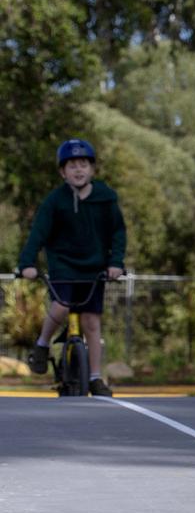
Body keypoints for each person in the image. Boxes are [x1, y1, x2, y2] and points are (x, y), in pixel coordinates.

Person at [19, 139, 127, 396]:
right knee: (61, 306)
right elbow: (38, 234)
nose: (78, 170)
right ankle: (42, 345)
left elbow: (118, 233)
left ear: (92, 169)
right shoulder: (55, 201)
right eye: (72, 166)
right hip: (63, 265)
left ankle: (95, 378)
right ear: (62, 172)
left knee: (91, 322)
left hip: (94, 267)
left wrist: (116, 263)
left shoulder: (106, 197)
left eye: (83, 164)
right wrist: (27, 264)